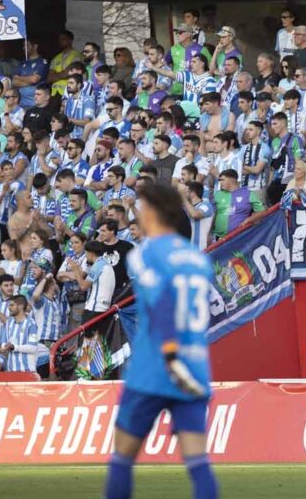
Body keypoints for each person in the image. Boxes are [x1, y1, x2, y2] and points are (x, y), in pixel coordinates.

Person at [104, 183, 217, 499]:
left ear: (152, 212)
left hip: (153, 368)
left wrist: (169, 354)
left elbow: (162, 303)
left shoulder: (144, 255)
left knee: (122, 458)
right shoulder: (199, 260)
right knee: (197, 461)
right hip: (194, 367)